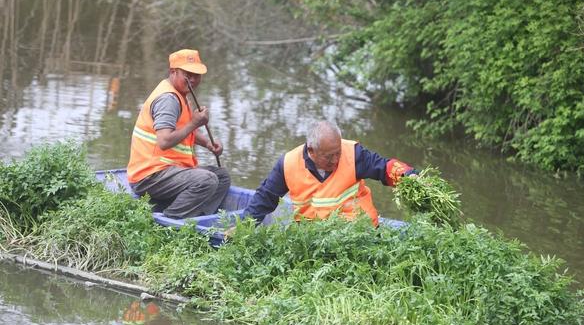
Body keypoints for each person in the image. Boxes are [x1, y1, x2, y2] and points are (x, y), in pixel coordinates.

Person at [243, 121, 416, 226]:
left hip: (359, 233)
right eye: (329, 156)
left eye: (337, 153)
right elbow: (266, 197)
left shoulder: (353, 153)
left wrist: (409, 176)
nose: (335, 160)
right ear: (311, 150)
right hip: (315, 240)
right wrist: (243, 226)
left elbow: (384, 168)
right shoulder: (288, 164)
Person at [127, 49, 230, 219]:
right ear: (173, 72)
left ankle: (198, 219)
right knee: (207, 180)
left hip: (168, 170)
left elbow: (180, 129)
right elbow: (164, 140)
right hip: (149, 175)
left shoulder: (180, 94)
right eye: (187, 74)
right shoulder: (168, 99)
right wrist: (195, 122)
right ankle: (170, 221)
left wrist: (207, 143)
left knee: (222, 176)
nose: (193, 80)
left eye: (197, 75)